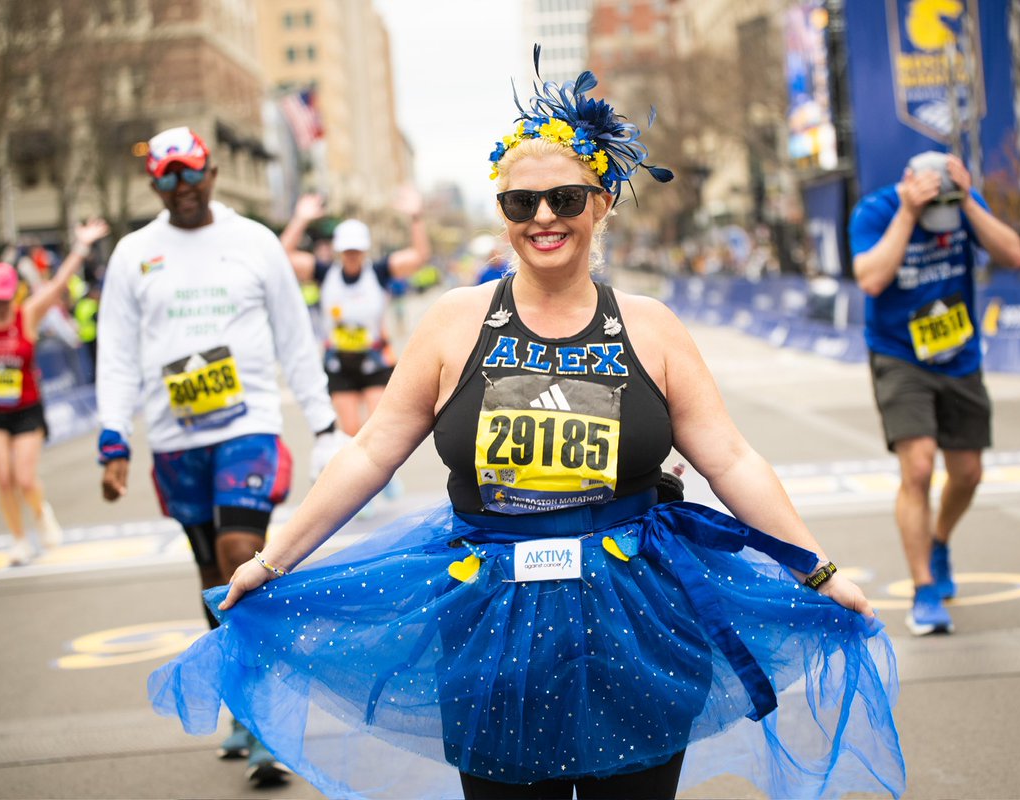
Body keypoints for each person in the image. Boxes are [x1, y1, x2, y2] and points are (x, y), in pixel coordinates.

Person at [150, 60, 904, 800]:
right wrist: (272, 562)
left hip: (636, 613)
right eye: (521, 203)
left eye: (564, 197)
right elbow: (374, 450)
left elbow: (731, 459)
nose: (543, 217)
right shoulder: (452, 322)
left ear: (602, 201)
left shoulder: (651, 327)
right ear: (502, 212)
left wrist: (820, 570)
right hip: (491, 619)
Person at [95, 126, 346, 787]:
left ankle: (265, 720)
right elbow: (115, 351)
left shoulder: (253, 242)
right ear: (154, 184)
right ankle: (240, 701)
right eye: (168, 178)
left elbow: (296, 338)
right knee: (211, 573)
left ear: (211, 172)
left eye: (192, 173)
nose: (182, 188)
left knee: (242, 554)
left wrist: (323, 425)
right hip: (176, 438)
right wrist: (112, 436)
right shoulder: (133, 254)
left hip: (249, 426)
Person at [850, 150, 1020, 636]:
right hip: (900, 355)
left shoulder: (962, 204)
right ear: (907, 183)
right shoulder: (876, 211)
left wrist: (968, 202)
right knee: (920, 466)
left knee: (968, 473)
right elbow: (871, 278)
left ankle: (940, 540)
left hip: (960, 354)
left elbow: (1014, 255)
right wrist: (909, 213)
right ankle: (925, 588)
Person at [0, 219, 109, 565]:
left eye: (3, 299)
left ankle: (41, 512)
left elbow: (58, 284)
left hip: (26, 410)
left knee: (25, 478)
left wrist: (82, 245)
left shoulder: (27, 316)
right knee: (3, 477)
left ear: (13, 294)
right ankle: (18, 540)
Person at [279, 189, 431, 437]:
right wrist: (301, 219)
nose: (352, 256)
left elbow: (419, 256)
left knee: (377, 432)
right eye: (347, 251)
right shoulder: (324, 273)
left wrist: (416, 218)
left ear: (364, 250)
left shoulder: (380, 272)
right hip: (339, 361)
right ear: (339, 250)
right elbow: (282, 257)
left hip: (374, 357)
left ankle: (383, 477)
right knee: (351, 433)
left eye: (356, 251)